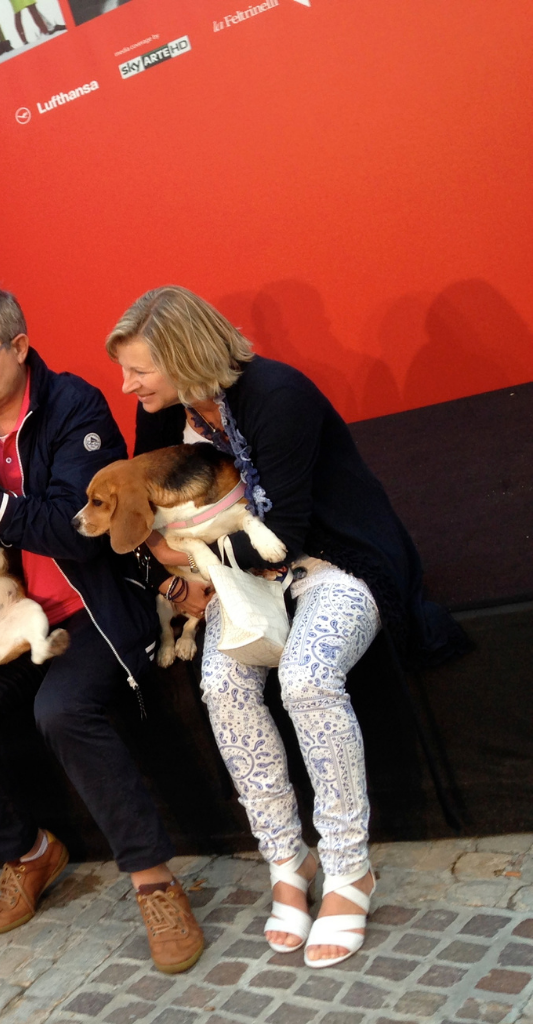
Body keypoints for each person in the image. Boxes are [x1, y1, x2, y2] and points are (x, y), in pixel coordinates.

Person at [109, 285, 465, 967]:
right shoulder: (162, 413)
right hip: (235, 574)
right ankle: (285, 859)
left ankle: (349, 867)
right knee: (221, 686)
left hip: (335, 558)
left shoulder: (277, 395)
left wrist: (193, 564)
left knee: (306, 677)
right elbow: (142, 519)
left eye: (140, 371)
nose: (129, 386)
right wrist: (177, 578)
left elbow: (287, 531)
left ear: (185, 358)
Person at [0, 286, 205, 974]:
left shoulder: (75, 407)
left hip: (90, 608)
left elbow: (80, 532)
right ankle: (30, 853)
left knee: (63, 711)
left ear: (18, 347)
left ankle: (154, 884)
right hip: (4, 620)